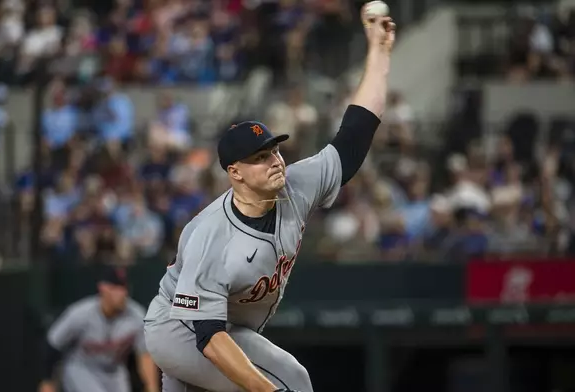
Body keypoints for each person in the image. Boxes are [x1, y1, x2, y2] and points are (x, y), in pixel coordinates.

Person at [142, 7, 396, 392]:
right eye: (260, 158)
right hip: (180, 329)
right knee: (291, 381)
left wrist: (378, 54)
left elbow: (354, 136)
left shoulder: (295, 185)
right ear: (235, 173)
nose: (275, 162)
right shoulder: (212, 234)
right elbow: (209, 337)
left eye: (274, 151)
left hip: (228, 328)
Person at [38, 265, 160, 392]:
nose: (122, 293)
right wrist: (47, 380)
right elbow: (52, 344)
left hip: (115, 369)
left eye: (124, 288)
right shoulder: (80, 314)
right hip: (82, 368)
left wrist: (151, 387)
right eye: (116, 288)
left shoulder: (136, 315)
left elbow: (145, 355)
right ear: (103, 288)